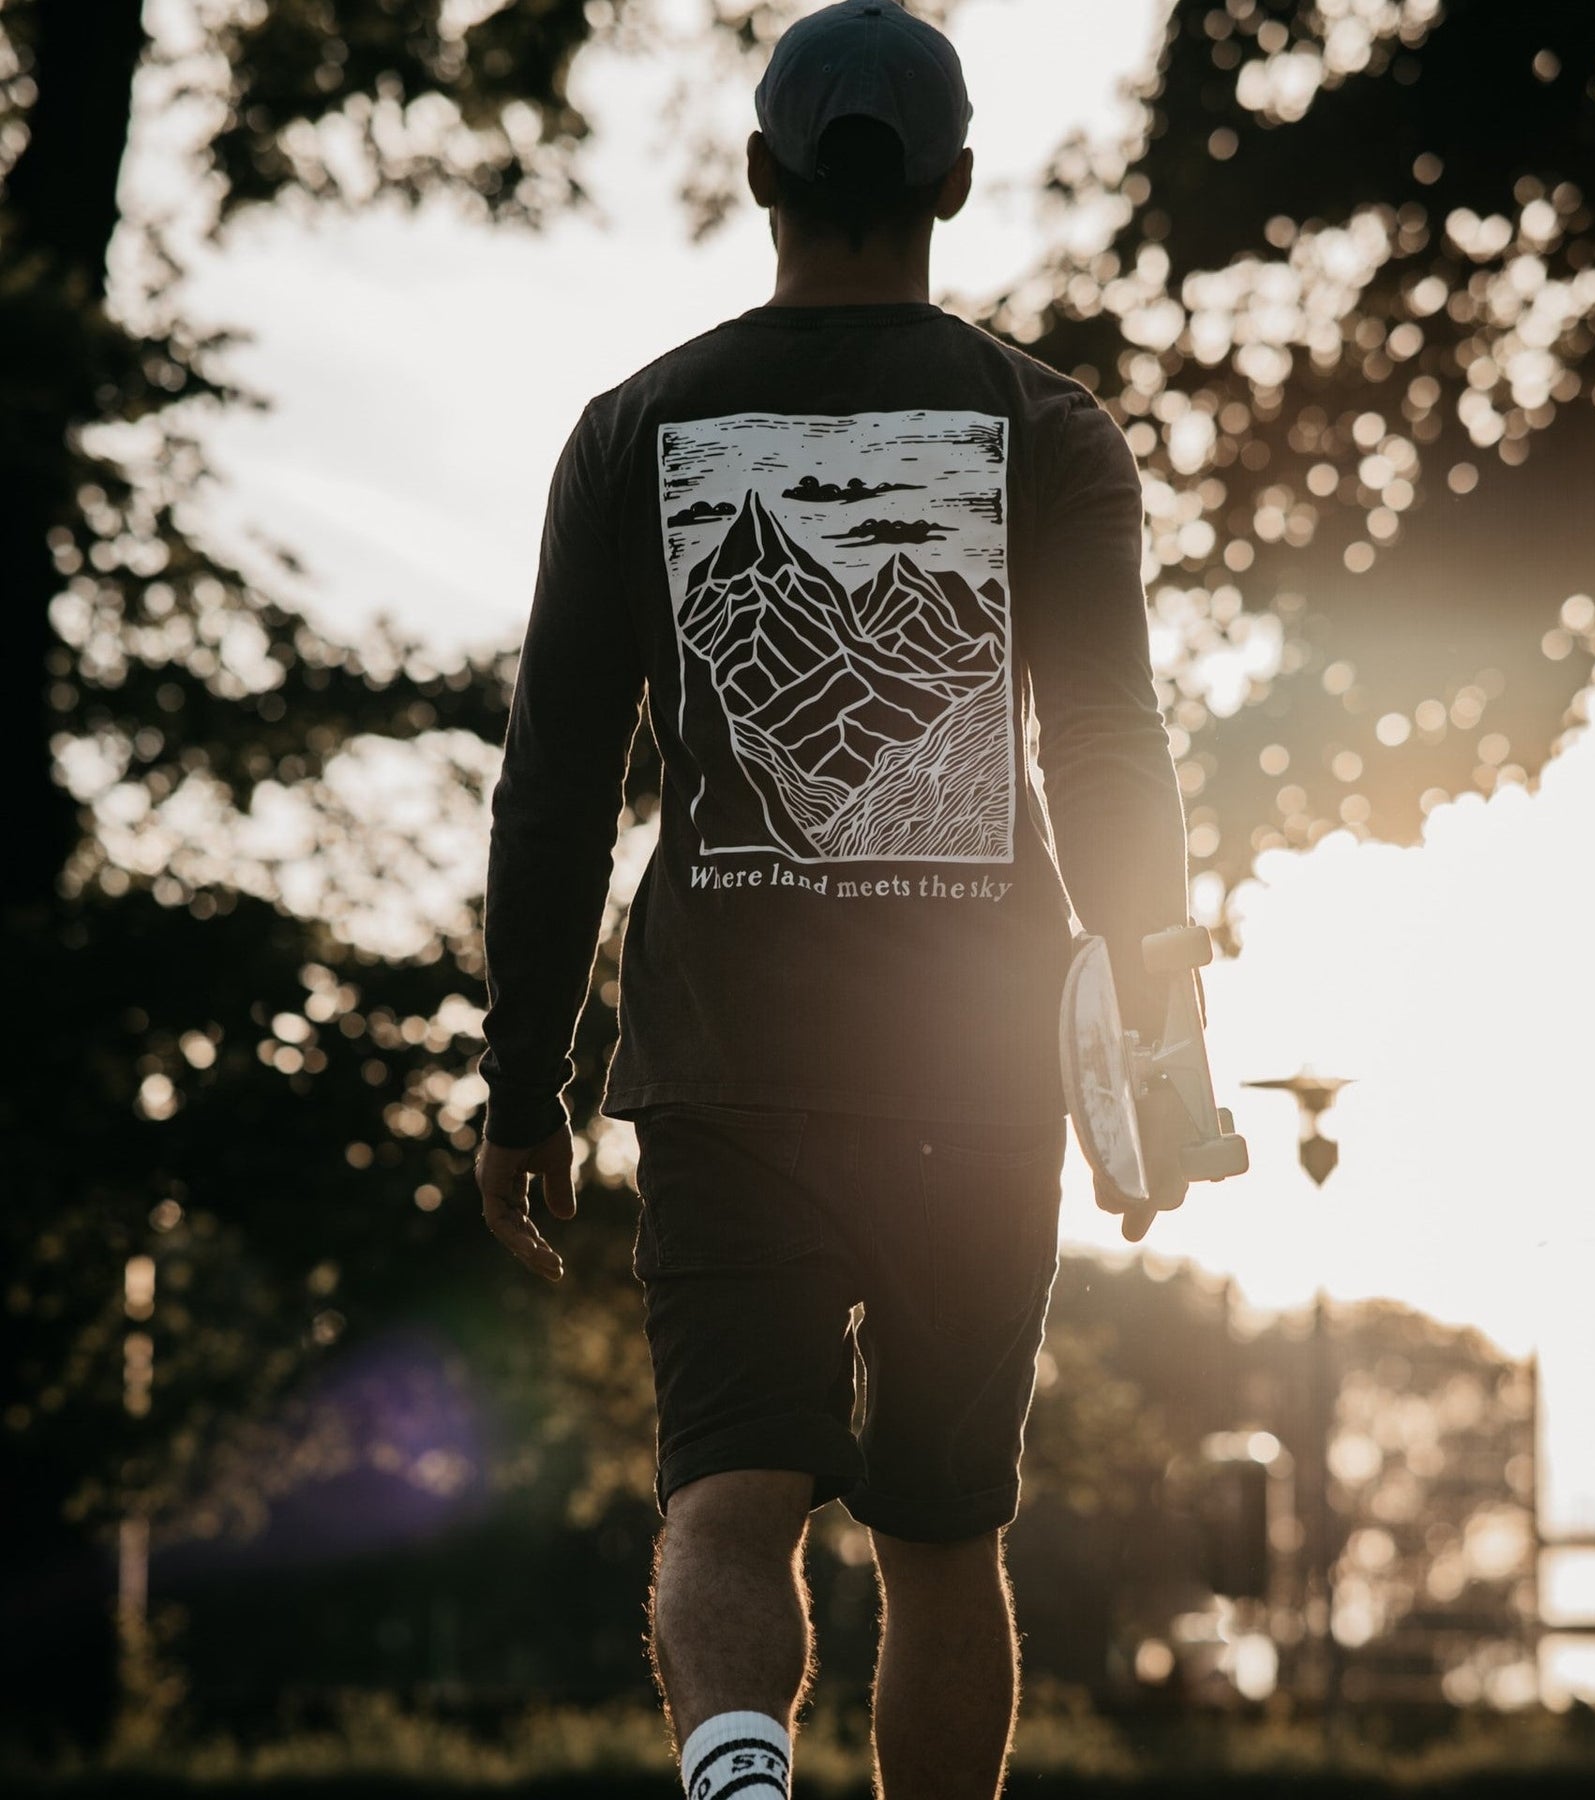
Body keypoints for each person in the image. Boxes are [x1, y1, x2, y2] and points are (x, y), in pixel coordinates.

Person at [474, 3, 1189, 1794]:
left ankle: (735, 1776)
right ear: (954, 180)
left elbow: (555, 787)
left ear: (757, 176)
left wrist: (523, 1091)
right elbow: (1110, 743)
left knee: (727, 1493)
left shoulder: (633, 428)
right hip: (980, 1069)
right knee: (947, 1533)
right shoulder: (1050, 427)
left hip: (721, 1068)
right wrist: (1162, 1029)